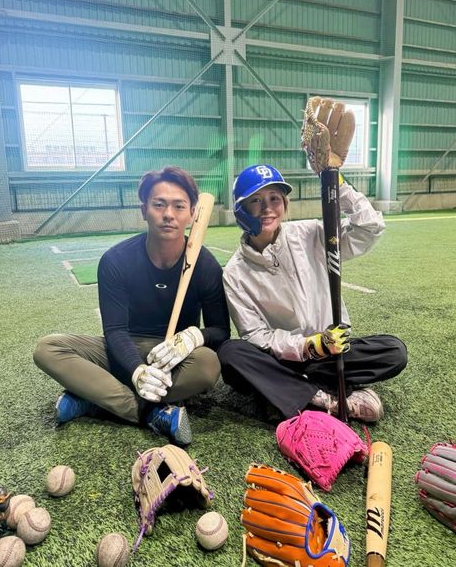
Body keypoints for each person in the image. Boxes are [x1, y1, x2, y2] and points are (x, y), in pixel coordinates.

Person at [34, 166, 230, 446]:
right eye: (158, 204)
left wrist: (194, 336)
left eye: (178, 206)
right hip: (123, 348)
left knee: (209, 364)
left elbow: (220, 331)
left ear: (191, 214)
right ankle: (150, 412)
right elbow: (115, 331)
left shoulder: (206, 265)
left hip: (173, 357)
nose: (168, 214)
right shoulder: (116, 260)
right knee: (48, 348)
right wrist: (137, 372)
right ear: (144, 210)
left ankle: (94, 399)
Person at [218, 163, 407, 423]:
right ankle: (327, 400)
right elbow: (256, 336)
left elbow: (369, 228)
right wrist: (309, 346)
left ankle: (288, 392)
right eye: (256, 200)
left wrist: (337, 185)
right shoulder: (235, 272)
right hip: (283, 358)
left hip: (331, 354)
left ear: (284, 204)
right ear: (242, 209)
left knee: (394, 351)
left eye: (274, 198)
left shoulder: (311, 233)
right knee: (231, 355)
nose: (267, 208)